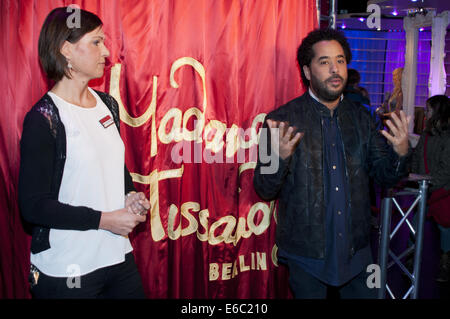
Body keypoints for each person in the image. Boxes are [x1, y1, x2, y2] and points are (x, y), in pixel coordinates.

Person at [253, 28, 411, 299]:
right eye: (324, 62)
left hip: (357, 253)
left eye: (340, 60)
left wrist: (400, 152)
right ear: (306, 71)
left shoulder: (362, 119)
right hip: (306, 255)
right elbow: (264, 189)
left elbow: (385, 178)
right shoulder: (280, 120)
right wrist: (278, 160)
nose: (335, 69)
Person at [18, 7, 150, 299]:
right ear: (66, 49)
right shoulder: (44, 118)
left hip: (117, 257)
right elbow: (33, 207)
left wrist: (130, 195)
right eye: (96, 42)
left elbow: (113, 168)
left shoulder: (108, 105)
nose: (106, 51)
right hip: (68, 270)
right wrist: (105, 220)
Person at [411, 95, 450, 282]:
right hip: (426, 189)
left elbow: (447, 169)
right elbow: (418, 157)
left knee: (445, 227)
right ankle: (412, 255)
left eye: (428, 110)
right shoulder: (426, 135)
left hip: (441, 192)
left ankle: (445, 260)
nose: (425, 113)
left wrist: (430, 186)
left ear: (437, 112)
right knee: (415, 223)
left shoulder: (448, 137)